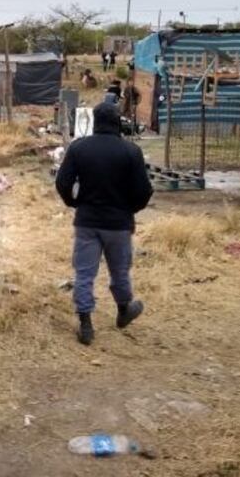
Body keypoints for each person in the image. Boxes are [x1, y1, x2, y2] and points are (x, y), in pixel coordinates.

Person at [54, 102, 153, 346]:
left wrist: (74, 203)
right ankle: (123, 310)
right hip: (119, 223)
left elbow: (62, 182)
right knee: (119, 270)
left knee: (85, 273)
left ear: (95, 121)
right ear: (118, 121)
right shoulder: (131, 151)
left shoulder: (79, 148)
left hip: (87, 221)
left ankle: (86, 324)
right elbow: (144, 191)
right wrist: (130, 209)